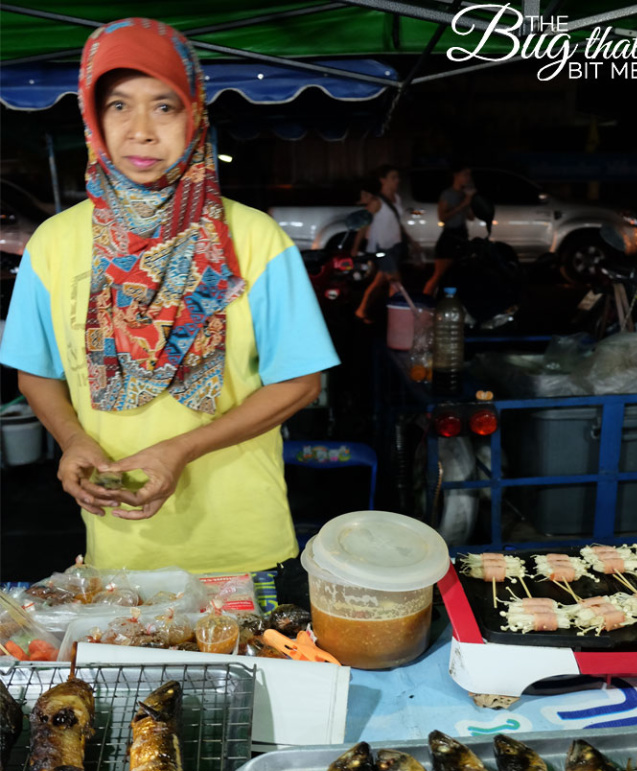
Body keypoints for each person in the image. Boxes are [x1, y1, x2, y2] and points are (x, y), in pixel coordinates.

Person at [0, 18, 339, 575]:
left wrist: (179, 449)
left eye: (164, 106)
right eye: (118, 106)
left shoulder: (255, 239)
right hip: (119, 549)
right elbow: (35, 372)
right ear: (92, 117)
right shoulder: (53, 244)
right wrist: (73, 441)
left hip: (243, 548)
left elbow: (300, 381)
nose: (141, 131)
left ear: (195, 114)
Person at [352, 165, 418, 324]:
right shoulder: (377, 202)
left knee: (379, 282)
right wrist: (355, 247)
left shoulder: (397, 199)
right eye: (393, 177)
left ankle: (361, 310)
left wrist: (410, 240)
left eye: (398, 177)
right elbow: (364, 225)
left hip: (394, 245)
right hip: (382, 248)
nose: (398, 181)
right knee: (396, 282)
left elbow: (397, 223)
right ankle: (397, 318)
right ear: (383, 180)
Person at [423, 164, 477, 297]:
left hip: (462, 235)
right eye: (465, 174)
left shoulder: (464, 194)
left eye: (469, 175)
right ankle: (425, 301)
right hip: (449, 236)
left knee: (459, 274)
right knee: (439, 274)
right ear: (456, 176)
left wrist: (469, 201)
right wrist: (462, 204)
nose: (468, 178)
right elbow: (443, 217)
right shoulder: (448, 194)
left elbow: (471, 217)